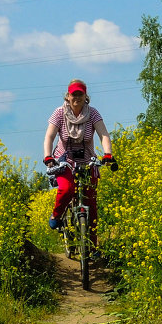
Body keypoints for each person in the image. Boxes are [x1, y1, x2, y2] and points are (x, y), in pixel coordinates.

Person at [43, 79, 117, 254]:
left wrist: (107, 154)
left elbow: (104, 134)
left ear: (85, 96)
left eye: (80, 94)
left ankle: (92, 246)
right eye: (73, 94)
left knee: (90, 201)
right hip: (64, 160)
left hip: (87, 159)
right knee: (67, 188)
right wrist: (48, 156)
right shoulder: (59, 113)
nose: (76, 97)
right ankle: (56, 215)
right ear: (68, 96)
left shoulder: (93, 114)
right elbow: (49, 136)